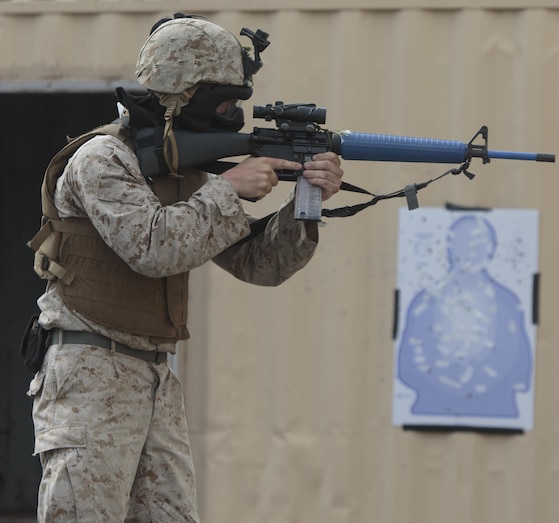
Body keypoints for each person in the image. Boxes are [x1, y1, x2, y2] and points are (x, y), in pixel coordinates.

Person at [25, 14, 343, 522]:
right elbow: (152, 248)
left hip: (154, 377)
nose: (231, 113)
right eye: (222, 101)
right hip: (90, 376)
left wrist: (307, 202)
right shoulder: (102, 158)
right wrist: (228, 188)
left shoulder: (185, 174)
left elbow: (259, 265)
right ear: (181, 93)